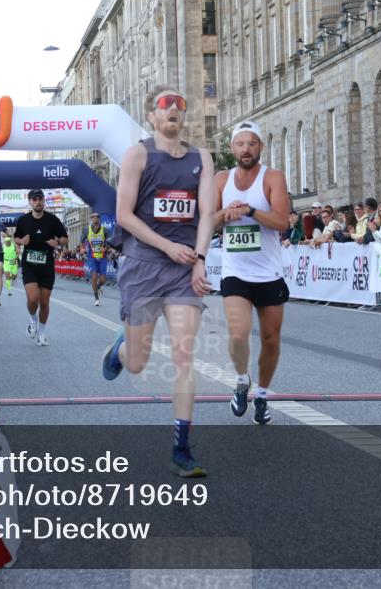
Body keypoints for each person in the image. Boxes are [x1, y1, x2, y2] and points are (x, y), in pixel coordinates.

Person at [100, 85, 215, 478]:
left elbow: (207, 213)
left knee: (184, 355)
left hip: (184, 269)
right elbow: (124, 215)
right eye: (166, 104)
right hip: (145, 264)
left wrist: (200, 260)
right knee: (137, 363)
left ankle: (182, 449)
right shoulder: (138, 154)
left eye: (180, 104)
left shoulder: (202, 158)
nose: (174, 110)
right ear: (151, 116)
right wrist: (167, 246)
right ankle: (119, 350)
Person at [213, 120, 289, 426]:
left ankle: (262, 394)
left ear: (260, 147)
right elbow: (206, 221)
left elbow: (283, 222)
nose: (246, 149)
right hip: (236, 272)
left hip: (268, 272)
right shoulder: (221, 179)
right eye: (240, 144)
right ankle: (242, 380)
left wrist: (251, 211)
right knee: (238, 332)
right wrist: (224, 214)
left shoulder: (272, 177)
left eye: (252, 143)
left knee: (271, 339)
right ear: (232, 149)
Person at [13, 190, 68, 345]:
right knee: (33, 298)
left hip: (47, 266)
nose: (38, 202)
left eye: (40, 199)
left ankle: (42, 333)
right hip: (29, 265)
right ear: (30, 201)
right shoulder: (23, 220)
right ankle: (32, 319)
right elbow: (16, 237)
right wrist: (21, 241)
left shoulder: (52, 220)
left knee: (44, 302)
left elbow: (64, 238)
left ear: (44, 201)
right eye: (35, 199)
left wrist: (57, 243)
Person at [84, 213, 110, 306]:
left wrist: (106, 248)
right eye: (93, 217)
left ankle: (98, 287)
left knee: (103, 280)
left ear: (99, 219)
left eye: (97, 217)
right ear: (91, 219)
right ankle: (96, 298)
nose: (95, 218)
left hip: (102, 257)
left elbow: (111, 241)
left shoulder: (105, 230)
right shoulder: (86, 230)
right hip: (92, 257)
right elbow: (81, 241)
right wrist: (81, 248)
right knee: (94, 277)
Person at [2, 230, 19, 295]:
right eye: (6, 242)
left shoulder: (14, 245)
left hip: (13, 261)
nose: (7, 243)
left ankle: (13, 278)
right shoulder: (3, 246)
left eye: (8, 242)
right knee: (7, 276)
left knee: (14, 275)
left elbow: (18, 253)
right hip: (6, 262)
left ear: (10, 241)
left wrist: (16, 258)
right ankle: (9, 290)